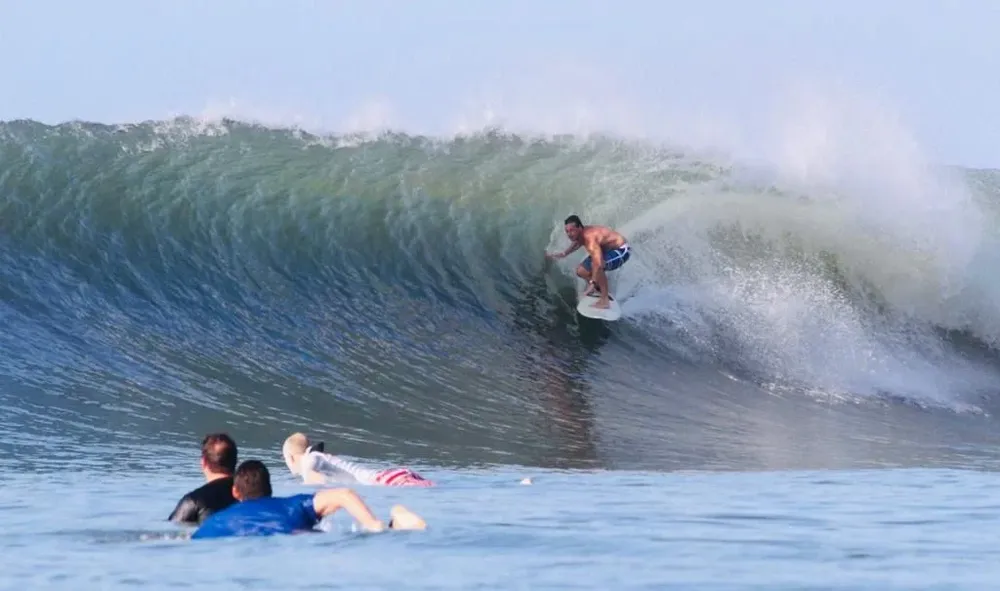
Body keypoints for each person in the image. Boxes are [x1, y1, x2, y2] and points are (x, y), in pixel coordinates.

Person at [191, 459, 426, 539]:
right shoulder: (292, 505)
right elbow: (344, 495)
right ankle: (391, 525)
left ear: (235, 492)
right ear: (269, 488)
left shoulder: (214, 524)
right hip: (297, 535)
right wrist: (373, 525)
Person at [282, 432, 433, 487]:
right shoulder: (316, 457)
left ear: (290, 457)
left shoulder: (311, 459)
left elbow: (317, 479)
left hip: (385, 480)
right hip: (393, 476)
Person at [545, 214, 631, 309]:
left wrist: (591, 284)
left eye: (572, 230)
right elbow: (577, 243)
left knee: (598, 264)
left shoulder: (590, 239)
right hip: (607, 249)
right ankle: (599, 289)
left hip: (622, 250)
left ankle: (605, 300)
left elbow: (598, 264)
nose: (569, 234)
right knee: (581, 271)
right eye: (567, 231)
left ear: (580, 228)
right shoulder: (581, 235)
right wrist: (564, 253)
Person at [168, 433, 239, 525]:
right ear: (236, 461)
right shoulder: (252, 493)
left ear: (203, 462)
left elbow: (171, 529)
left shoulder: (194, 500)